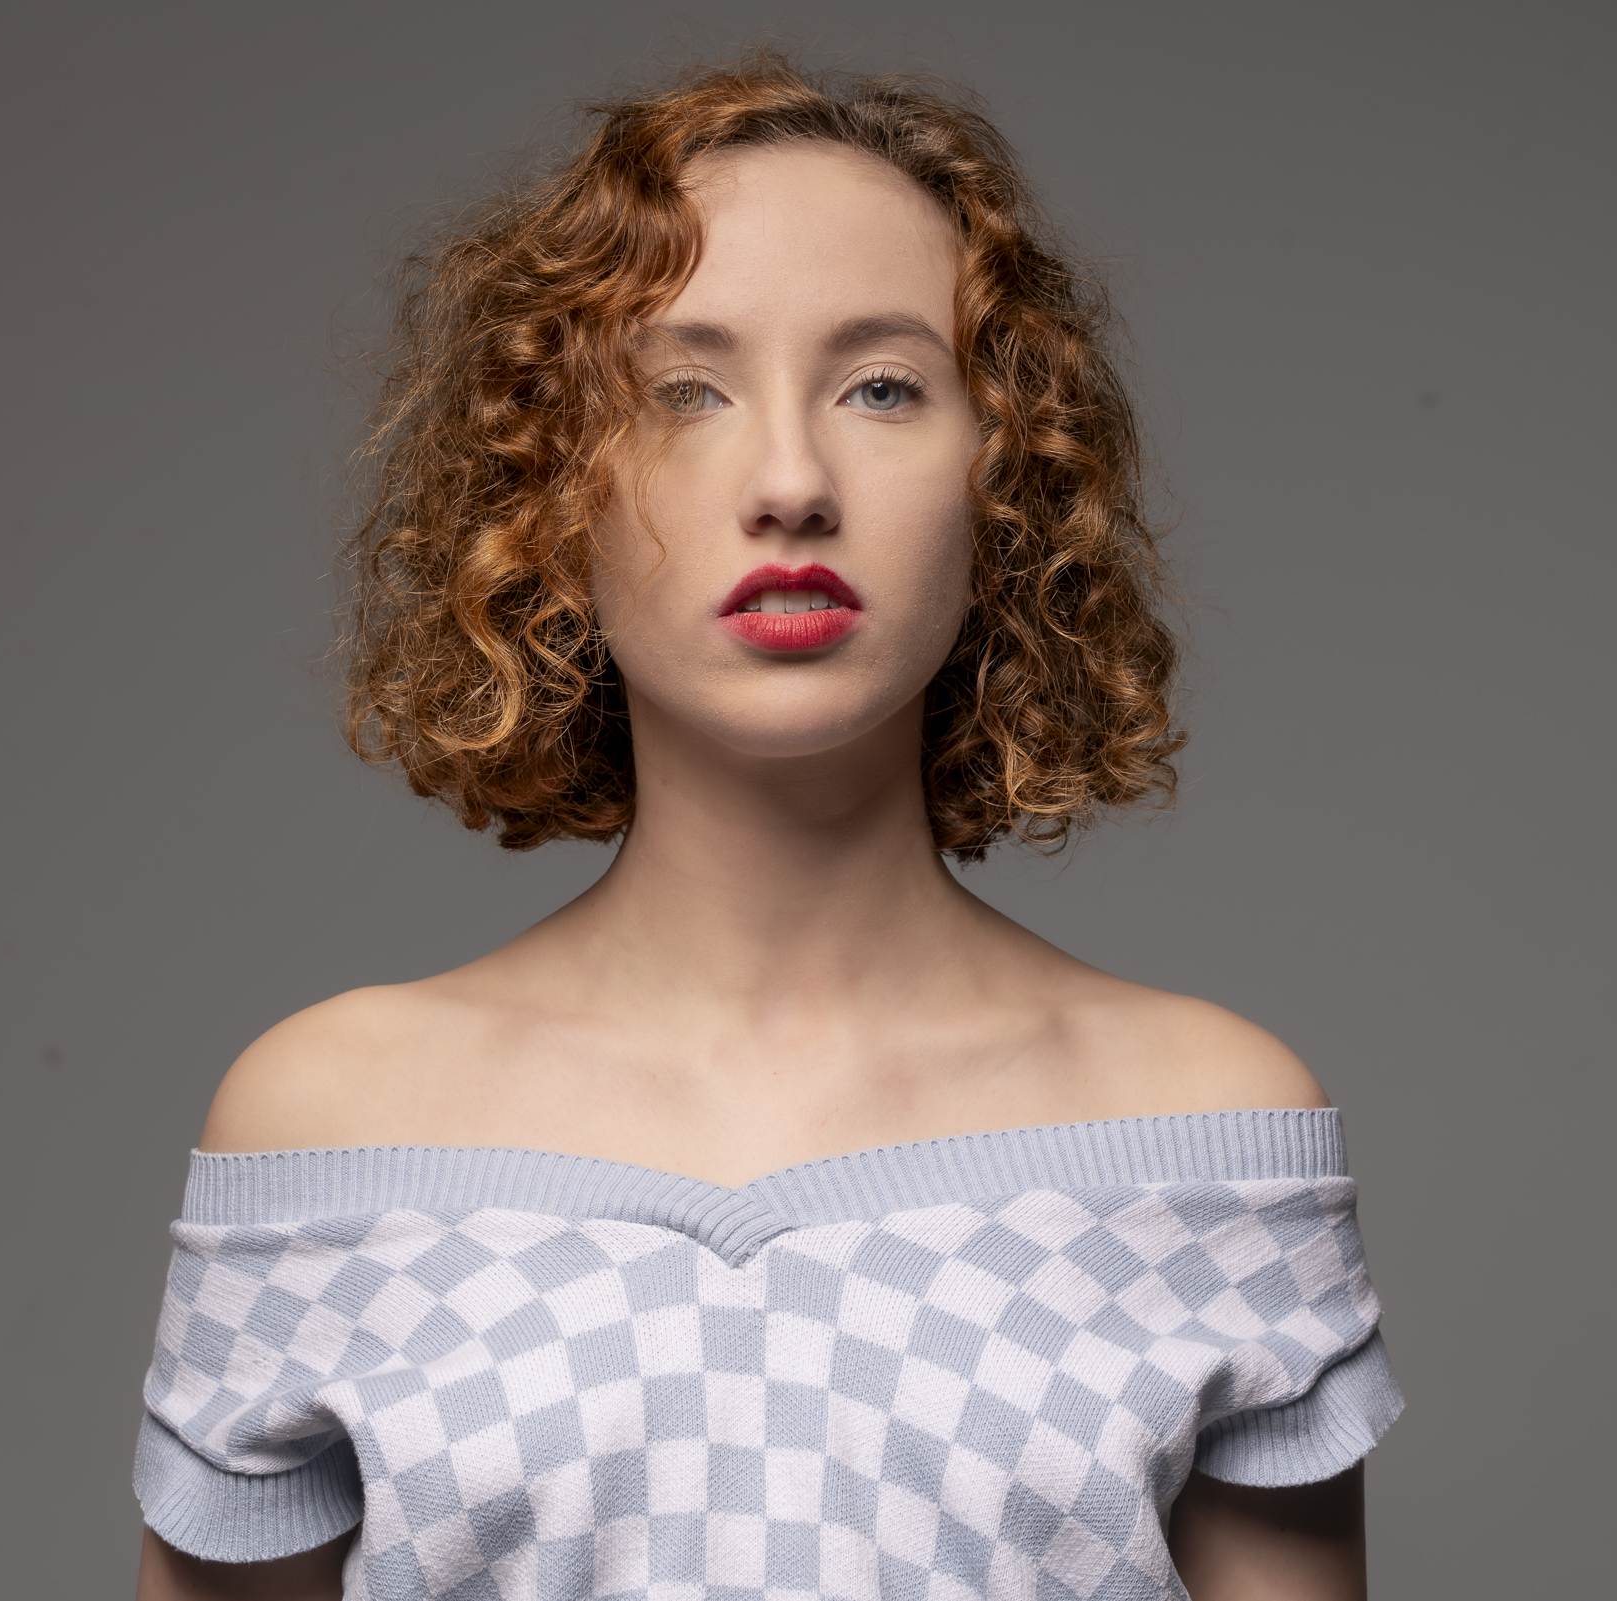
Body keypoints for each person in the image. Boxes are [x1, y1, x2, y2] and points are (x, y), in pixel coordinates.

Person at [133, 54, 1400, 1601]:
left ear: (1004, 480)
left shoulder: (1208, 1131)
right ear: (550, 488)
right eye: (684, 389)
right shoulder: (331, 1130)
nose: (791, 482)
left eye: (883, 386)